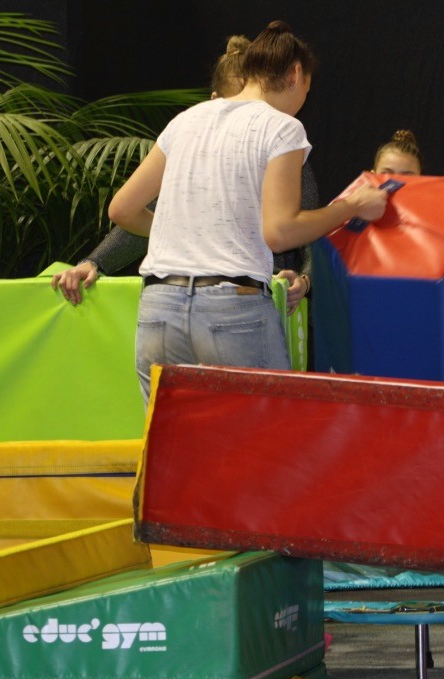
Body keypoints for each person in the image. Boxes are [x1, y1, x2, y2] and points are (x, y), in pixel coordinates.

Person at [73, 21, 388, 406]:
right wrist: (350, 206)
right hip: (233, 311)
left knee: (172, 441)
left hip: (158, 309)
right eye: (307, 89)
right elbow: (280, 231)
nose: (303, 100)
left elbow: (121, 209)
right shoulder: (283, 128)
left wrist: (183, 231)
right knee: (266, 437)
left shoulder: (186, 120)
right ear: (294, 75)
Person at [53, 34, 318, 314]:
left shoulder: (283, 150)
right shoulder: (194, 144)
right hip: (210, 302)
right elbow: (144, 212)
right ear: (214, 102)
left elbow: (312, 239)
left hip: (250, 297)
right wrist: (95, 262)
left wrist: (305, 280)